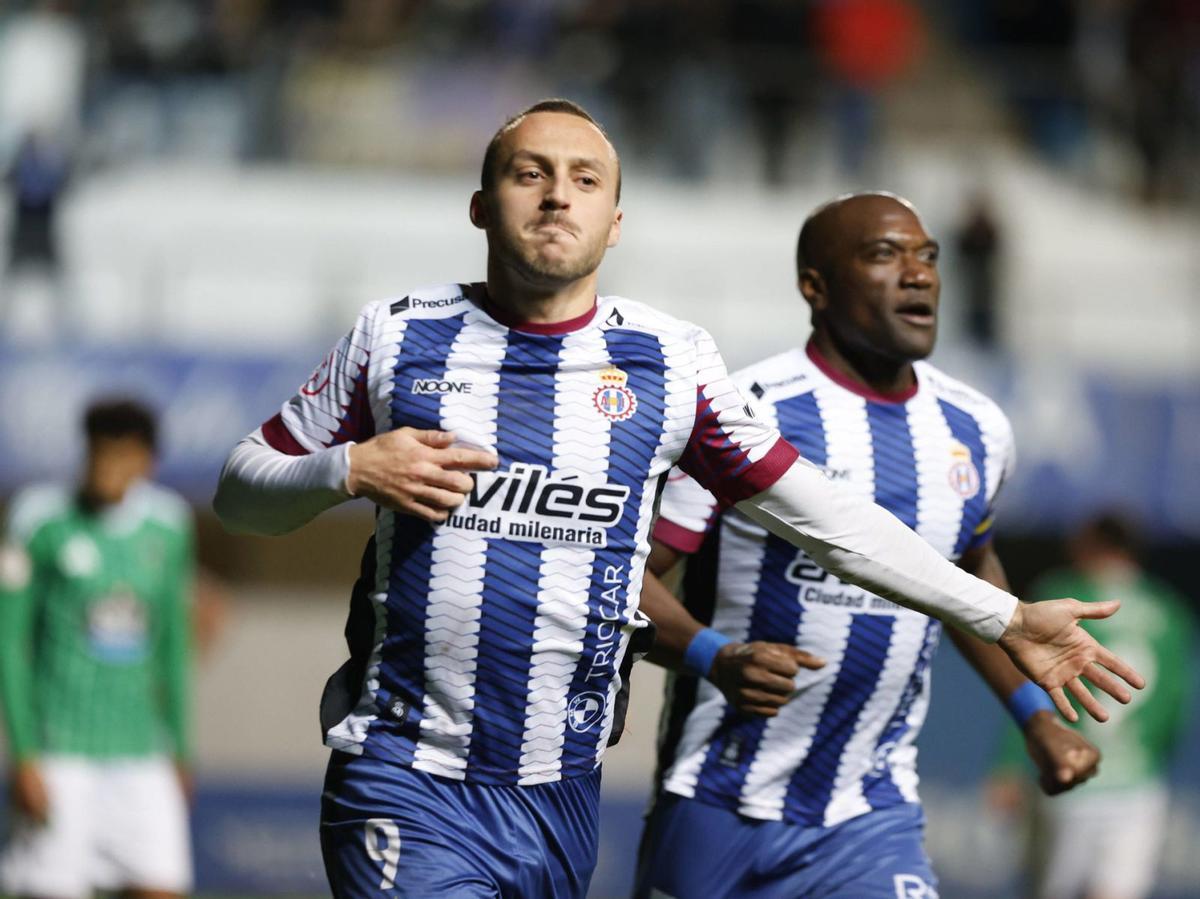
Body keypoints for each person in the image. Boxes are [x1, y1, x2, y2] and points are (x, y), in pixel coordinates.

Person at [212, 99, 1141, 898]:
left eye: (583, 179)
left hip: (559, 792)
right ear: (481, 205)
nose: (555, 194)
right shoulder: (397, 336)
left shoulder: (670, 361)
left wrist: (1005, 613)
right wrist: (347, 470)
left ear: (615, 221)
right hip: (405, 772)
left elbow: (822, 514)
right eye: (529, 173)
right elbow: (241, 488)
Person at [631, 192, 1102, 899]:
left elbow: (968, 576)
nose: (918, 273)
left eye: (928, 255)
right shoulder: (745, 412)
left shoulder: (976, 426)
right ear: (814, 286)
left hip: (872, 812)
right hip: (719, 799)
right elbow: (624, 574)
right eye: (884, 254)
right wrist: (712, 654)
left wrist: (1034, 713)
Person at [0, 398, 194, 899]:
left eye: (121, 456)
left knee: (161, 885)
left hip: (141, 753)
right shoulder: (39, 519)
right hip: (59, 753)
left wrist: (181, 746)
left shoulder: (169, 526)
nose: (106, 468)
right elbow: (10, 641)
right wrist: (24, 755)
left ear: (146, 461)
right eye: (98, 454)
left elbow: (172, 646)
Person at [989, 512, 1197, 899]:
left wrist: (1011, 762)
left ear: (1088, 546)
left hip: (1070, 772)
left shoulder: (1062, 595)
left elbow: (1028, 686)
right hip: (1139, 783)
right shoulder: (1168, 611)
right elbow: (1175, 704)